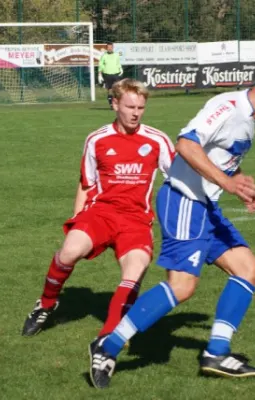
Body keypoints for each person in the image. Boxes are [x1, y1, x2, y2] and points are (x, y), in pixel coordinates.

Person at [89, 61, 255, 389]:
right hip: (183, 201)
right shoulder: (228, 107)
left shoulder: (249, 119)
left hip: (204, 205)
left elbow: (217, 160)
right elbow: (187, 144)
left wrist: (239, 186)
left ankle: (216, 352)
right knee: (182, 286)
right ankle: (109, 345)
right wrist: (228, 184)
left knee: (248, 269)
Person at [22, 79, 175, 342]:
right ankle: (46, 305)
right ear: (115, 104)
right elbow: (86, 183)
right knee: (69, 251)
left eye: (141, 107)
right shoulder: (97, 139)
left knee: (136, 268)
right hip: (100, 213)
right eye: (130, 106)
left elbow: (180, 177)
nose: (136, 113)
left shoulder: (158, 140)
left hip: (136, 220)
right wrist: (77, 219)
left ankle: (107, 340)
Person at [98, 42, 124, 110]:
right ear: (106, 48)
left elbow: (118, 63)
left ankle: (118, 104)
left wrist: (120, 68)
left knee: (118, 89)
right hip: (107, 74)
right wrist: (99, 74)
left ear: (113, 48)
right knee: (110, 90)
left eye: (111, 47)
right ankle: (111, 105)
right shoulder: (104, 56)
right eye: (108, 47)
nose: (109, 49)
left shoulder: (116, 55)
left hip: (116, 74)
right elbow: (101, 65)